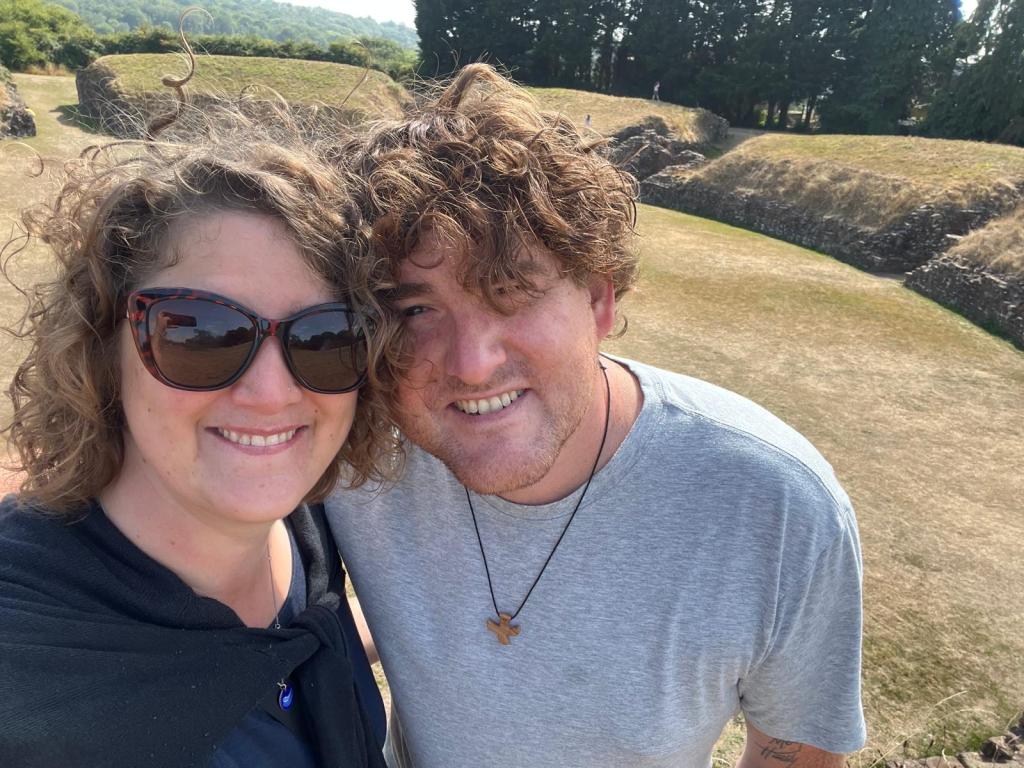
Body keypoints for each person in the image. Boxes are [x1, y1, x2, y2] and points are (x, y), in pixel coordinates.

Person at [328, 63, 865, 768]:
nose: (472, 363)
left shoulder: (777, 506)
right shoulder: (351, 453)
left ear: (599, 301)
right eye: (416, 310)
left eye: (510, 290)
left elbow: (794, 751)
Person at [0, 97, 398, 767]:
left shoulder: (308, 534)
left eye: (326, 338)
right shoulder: (27, 663)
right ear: (104, 346)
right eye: (201, 333)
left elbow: (262, 667)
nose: (272, 393)